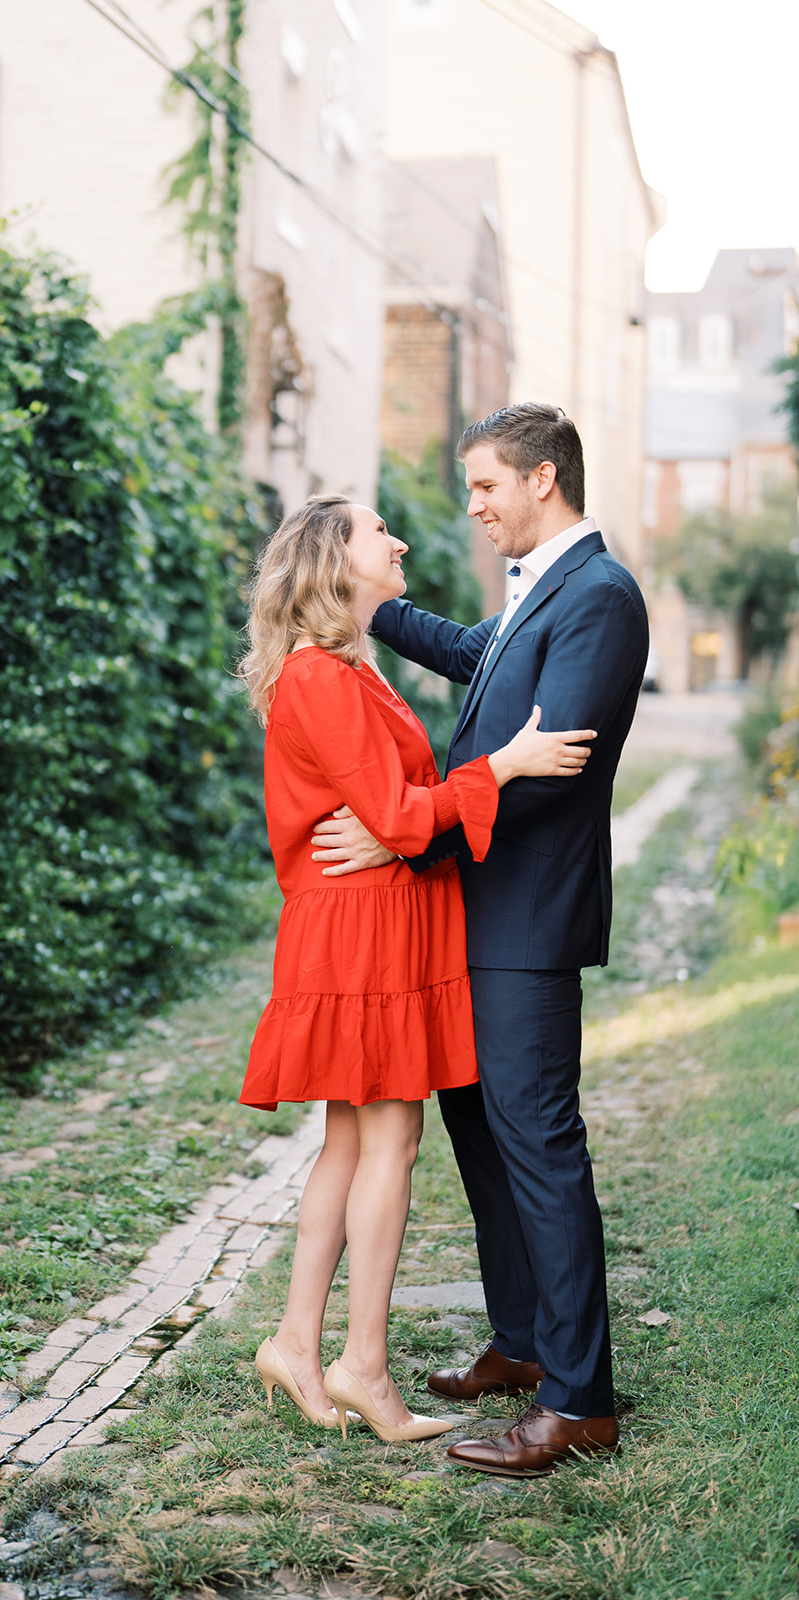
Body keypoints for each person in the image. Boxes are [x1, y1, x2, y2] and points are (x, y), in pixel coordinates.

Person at [312, 403, 649, 1477]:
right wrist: (365, 607)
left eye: (488, 486)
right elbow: (475, 655)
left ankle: (579, 1396)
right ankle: (521, 1340)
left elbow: (555, 772)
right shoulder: (539, 590)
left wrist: (407, 841)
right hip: (475, 912)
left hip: (526, 917)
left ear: (544, 479)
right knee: (482, 1135)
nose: (474, 507)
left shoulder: (598, 595)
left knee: (540, 1142)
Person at [237, 491, 596, 1445]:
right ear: (337, 563)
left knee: (349, 1148)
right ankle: (362, 1368)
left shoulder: (347, 667)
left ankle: (296, 1344)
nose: (397, 542)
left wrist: (409, 812)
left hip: (369, 923)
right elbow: (399, 817)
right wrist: (507, 764)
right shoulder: (323, 677)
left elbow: (395, 808)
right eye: (375, 533)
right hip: (360, 932)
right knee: (385, 1147)